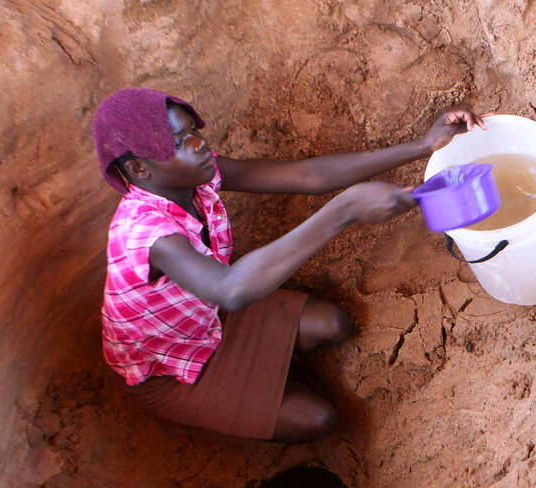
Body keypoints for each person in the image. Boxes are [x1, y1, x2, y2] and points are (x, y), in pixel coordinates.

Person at [91, 88, 485, 442]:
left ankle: (265, 383)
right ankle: (245, 397)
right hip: (173, 369)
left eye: (194, 130)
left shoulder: (198, 174)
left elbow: (304, 174)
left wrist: (422, 145)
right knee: (318, 419)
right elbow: (232, 289)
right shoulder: (147, 232)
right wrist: (344, 210)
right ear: (139, 170)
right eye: (179, 141)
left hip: (214, 318)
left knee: (334, 325)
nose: (198, 144)